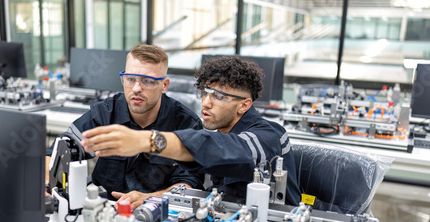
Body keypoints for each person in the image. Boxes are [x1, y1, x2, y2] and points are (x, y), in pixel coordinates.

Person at [79, 55, 301, 206]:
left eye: (219, 96)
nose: (206, 103)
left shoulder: (269, 136)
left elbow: (228, 149)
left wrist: (147, 140)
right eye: (205, 93)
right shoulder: (220, 133)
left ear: (244, 105)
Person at [46, 44, 204, 208]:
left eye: (148, 81)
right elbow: (62, 147)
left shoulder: (186, 124)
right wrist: (47, 185)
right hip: (102, 207)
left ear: (164, 85)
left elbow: (189, 184)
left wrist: (149, 198)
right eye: (130, 79)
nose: (136, 88)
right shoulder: (107, 112)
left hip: (154, 212)